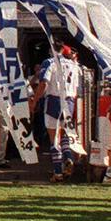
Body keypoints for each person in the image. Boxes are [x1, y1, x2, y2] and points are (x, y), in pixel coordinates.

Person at [30, 45, 81, 182]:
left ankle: (58, 172)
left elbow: (44, 84)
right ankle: (68, 157)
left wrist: (34, 101)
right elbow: (78, 88)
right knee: (64, 134)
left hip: (54, 100)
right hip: (69, 102)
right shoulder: (74, 65)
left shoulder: (50, 62)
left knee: (54, 138)